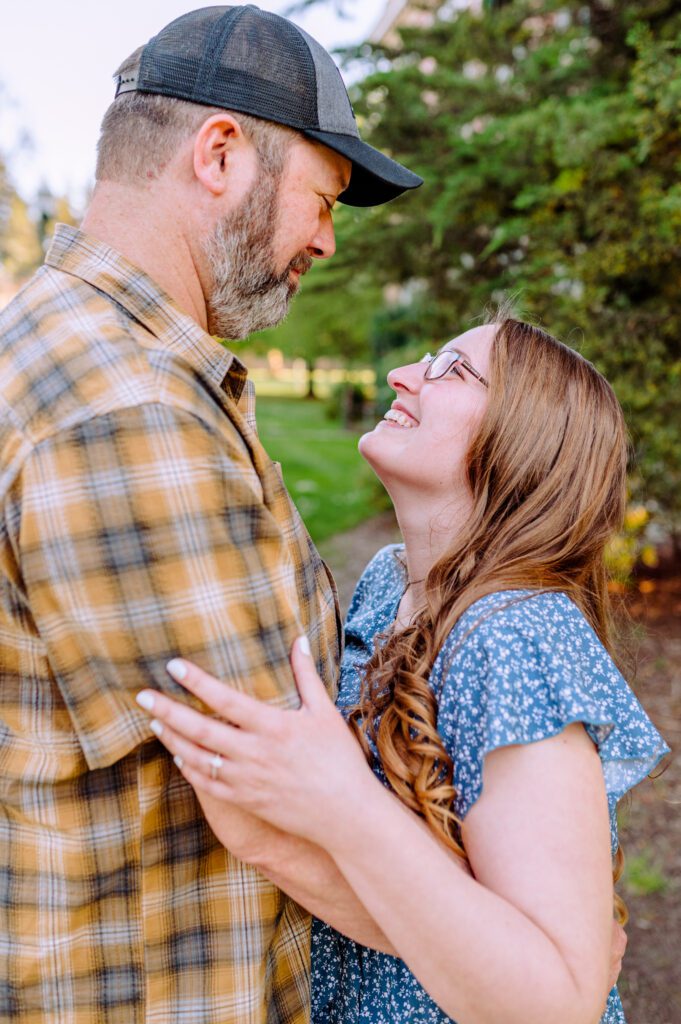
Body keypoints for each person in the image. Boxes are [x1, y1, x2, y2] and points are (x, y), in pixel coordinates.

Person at [0, 6, 423, 1021]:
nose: (325, 239)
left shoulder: (101, 353)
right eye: (321, 198)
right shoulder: (123, 407)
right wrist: (535, 947)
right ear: (221, 155)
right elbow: (289, 815)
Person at [136, 317, 669, 1024]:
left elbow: (555, 1007)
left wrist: (338, 803)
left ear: (524, 440)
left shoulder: (514, 633)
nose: (401, 375)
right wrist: (268, 836)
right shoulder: (390, 585)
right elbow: (399, 896)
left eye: (451, 372)